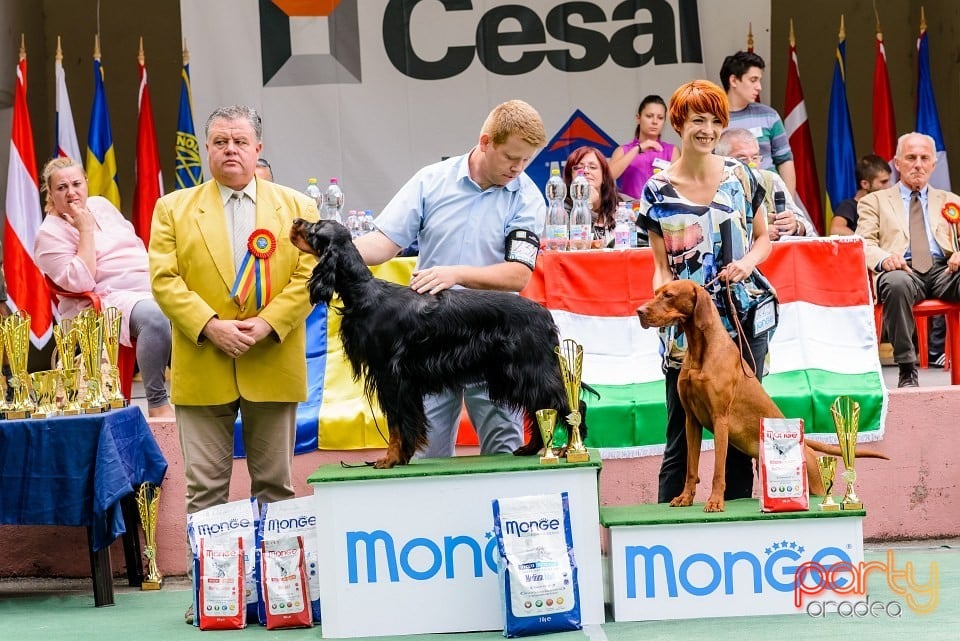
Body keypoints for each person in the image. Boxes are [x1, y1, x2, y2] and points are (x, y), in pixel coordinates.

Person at [148, 105, 317, 623]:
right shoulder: (171, 208)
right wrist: (210, 325)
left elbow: (310, 273)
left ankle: (280, 596)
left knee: (275, 486)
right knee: (206, 491)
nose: (230, 150)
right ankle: (210, 596)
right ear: (206, 148)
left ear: (258, 148)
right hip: (203, 360)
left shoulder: (297, 207)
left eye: (240, 141)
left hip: (272, 358)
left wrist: (268, 324)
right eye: (220, 141)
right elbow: (164, 279)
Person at [353, 99, 546, 458]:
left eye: (526, 161)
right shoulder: (430, 181)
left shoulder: (528, 199)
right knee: (427, 458)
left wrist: (454, 273)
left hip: (492, 336)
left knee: (504, 455)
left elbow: (518, 275)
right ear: (485, 141)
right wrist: (333, 248)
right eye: (510, 158)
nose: (518, 169)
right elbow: (382, 244)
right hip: (429, 340)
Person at [638, 80, 776, 504]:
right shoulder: (656, 191)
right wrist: (662, 307)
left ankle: (733, 531)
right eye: (698, 120)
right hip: (685, 325)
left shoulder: (742, 176)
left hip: (742, 316)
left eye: (717, 121)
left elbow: (764, 239)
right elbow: (661, 267)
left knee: (737, 434)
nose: (708, 129)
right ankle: (664, 532)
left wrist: (747, 263)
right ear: (678, 123)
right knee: (680, 433)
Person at [33, 157, 173, 417]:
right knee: (154, 317)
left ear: (86, 183)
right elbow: (81, 283)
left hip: (150, 282)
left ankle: (206, 400)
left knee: (202, 306)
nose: (71, 192)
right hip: (104, 299)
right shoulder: (48, 233)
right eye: (61, 187)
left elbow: (135, 245)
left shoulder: (101, 205)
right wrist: (85, 231)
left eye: (76, 183)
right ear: (50, 193)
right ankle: (157, 404)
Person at [856, 132, 960, 388]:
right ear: (897, 163)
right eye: (911, 157)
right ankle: (906, 367)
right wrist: (883, 259)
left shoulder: (951, 201)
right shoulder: (874, 201)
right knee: (896, 283)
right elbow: (863, 243)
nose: (918, 164)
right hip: (900, 268)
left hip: (943, 270)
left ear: (933, 165)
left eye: (925, 158)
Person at [715, 128, 818, 239]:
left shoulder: (770, 179)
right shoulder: (713, 186)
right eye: (743, 159)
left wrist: (795, 226)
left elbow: (809, 230)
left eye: (755, 157)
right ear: (722, 160)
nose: (752, 164)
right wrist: (758, 235)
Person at [720, 51, 796, 195]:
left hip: (770, 195)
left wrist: (787, 201)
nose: (759, 87)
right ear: (734, 81)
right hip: (731, 198)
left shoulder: (769, 115)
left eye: (759, 80)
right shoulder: (713, 120)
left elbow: (785, 160)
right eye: (753, 80)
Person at [608, 95, 679, 199]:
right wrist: (638, 149)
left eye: (660, 118)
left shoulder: (672, 151)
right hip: (632, 211)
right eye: (649, 116)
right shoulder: (623, 150)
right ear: (638, 118)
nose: (655, 121)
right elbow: (607, 178)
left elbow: (680, 187)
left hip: (661, 211)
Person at [563, 146, 618, 248]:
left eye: (593, 167)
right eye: (579, 168)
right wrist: (587, 205)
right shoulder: (563, 209)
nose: (586, 171)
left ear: (604, 177)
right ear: (571, 178)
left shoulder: (621, 205)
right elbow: (577, 245)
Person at [831, 154, 892, 236]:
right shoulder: (849, 206)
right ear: (865, 184)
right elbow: (836, 229)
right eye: (883, 182)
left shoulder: (886, 205)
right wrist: (866, 242)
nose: (889, 186)